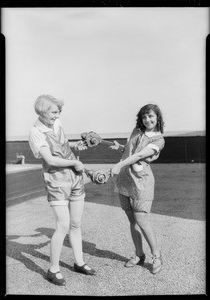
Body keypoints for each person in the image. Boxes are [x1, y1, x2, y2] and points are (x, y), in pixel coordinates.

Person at [29, 94, 97, 286]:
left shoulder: (57, 124)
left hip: (74, 178)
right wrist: (75, 162)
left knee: (75, 223)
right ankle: (53, 269)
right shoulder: (36, 132)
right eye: (54, 112)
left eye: (59, 112)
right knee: (63, 226)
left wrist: (76, 146)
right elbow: (50, 159)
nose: (58, 115)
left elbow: (63, 146)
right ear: (42, 111)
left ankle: (79, 262)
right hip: (57, 182)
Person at [110, 104, 165, 274]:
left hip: (142, 182)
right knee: (132, 220)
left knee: (142, 220)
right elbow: (132, 150)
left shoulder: (158, 140)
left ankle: (156, 256)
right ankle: (139, 255)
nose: (147, 120)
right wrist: (121, 148)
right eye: (144, 117)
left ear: (157, 118)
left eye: (151, 116)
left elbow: (141, 155)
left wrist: (119, 164)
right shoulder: (136, 130)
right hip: (125, 180)